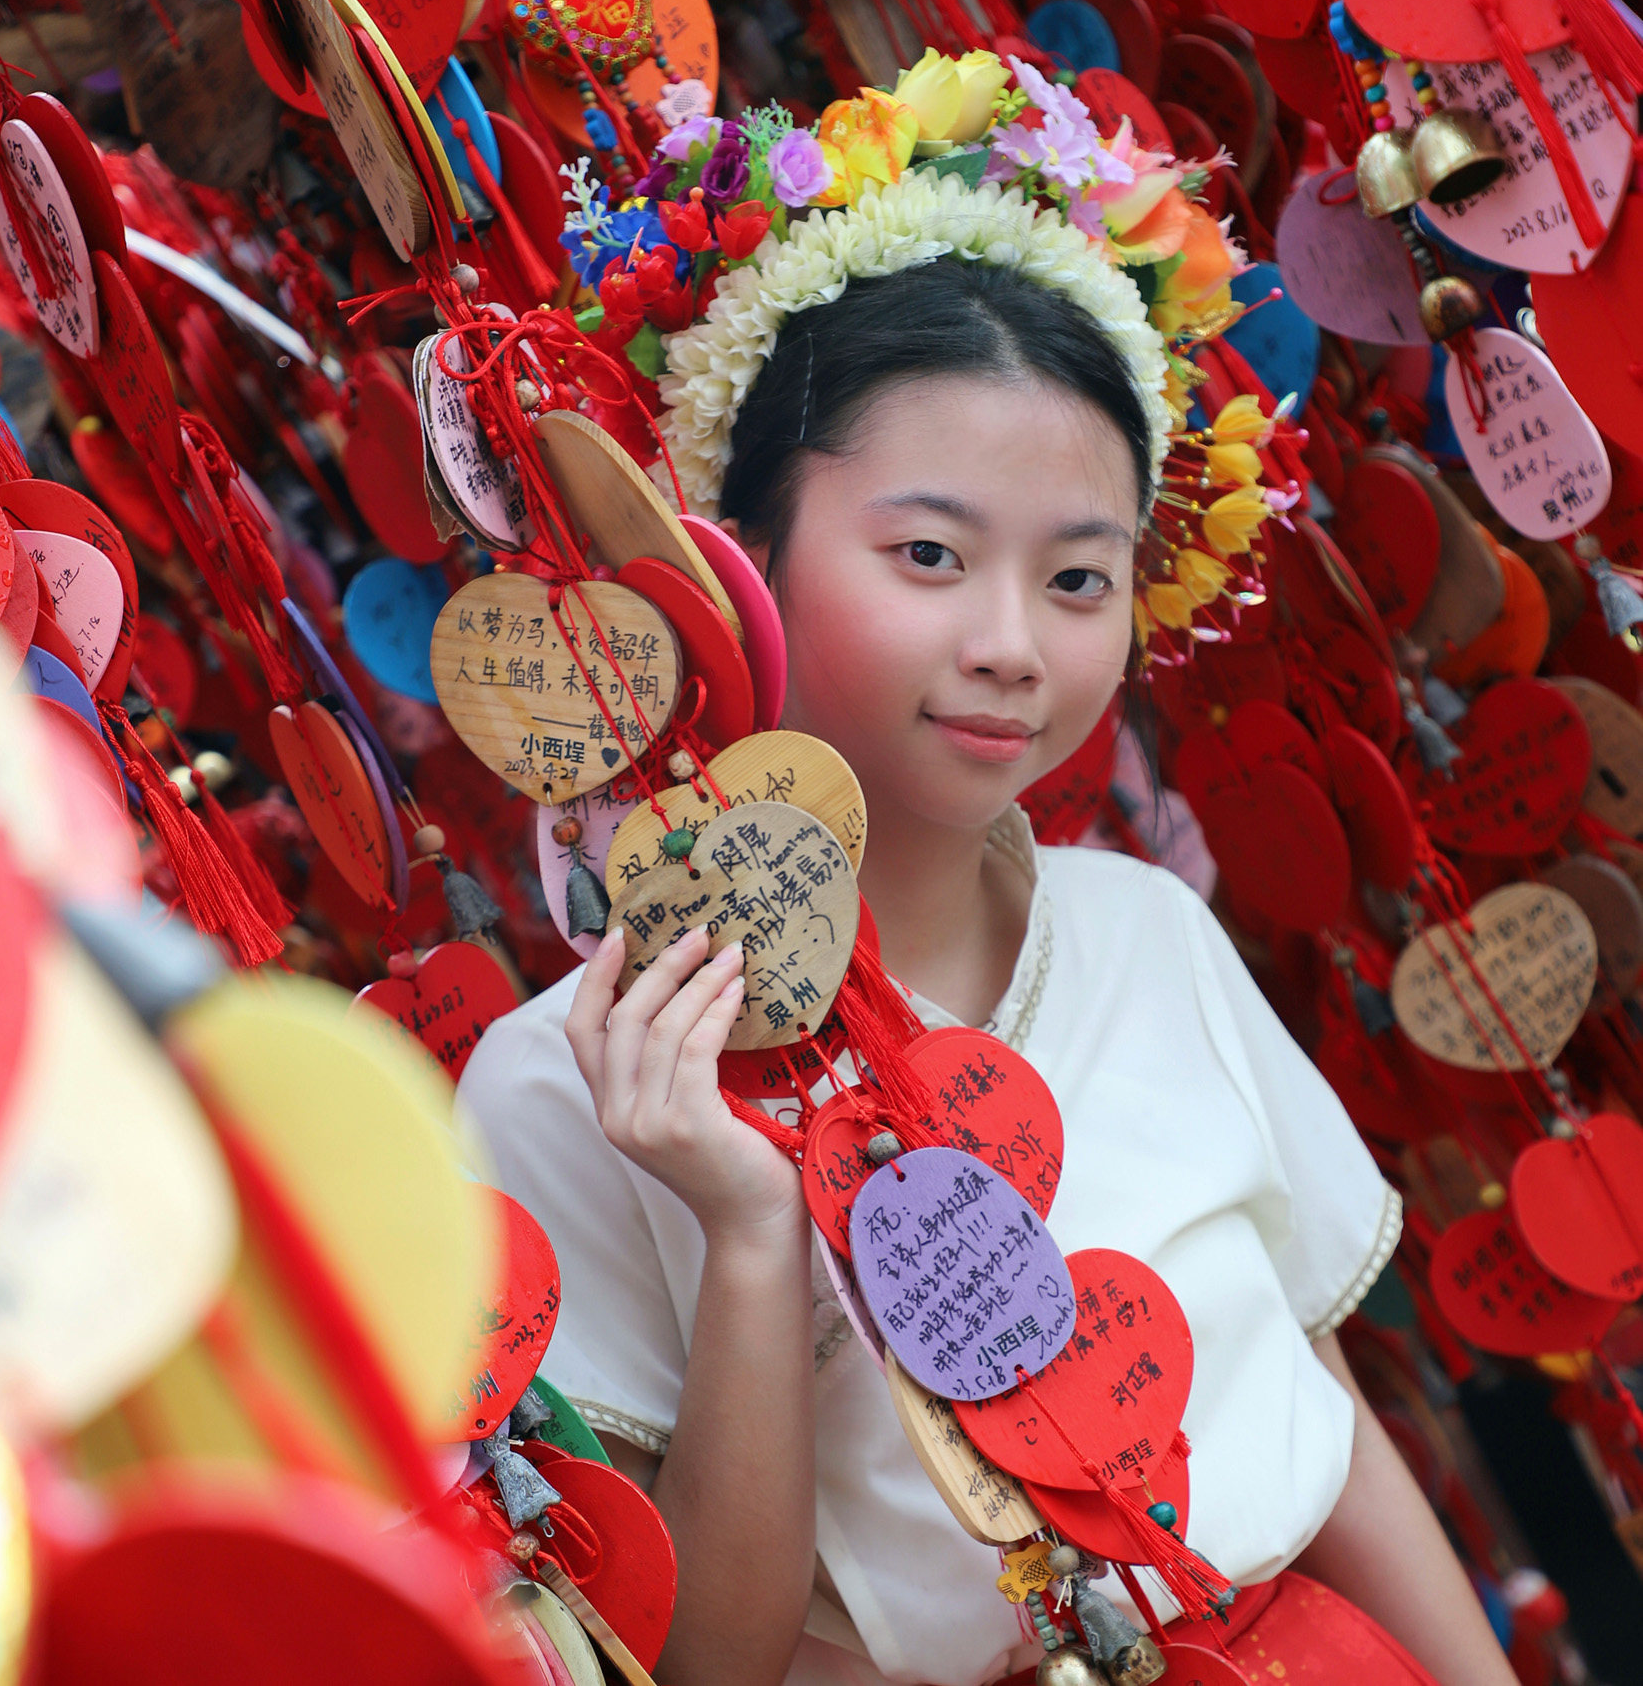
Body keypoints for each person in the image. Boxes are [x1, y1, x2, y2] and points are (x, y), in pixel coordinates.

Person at [460, 115, 1520, 1686]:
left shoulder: (1140, 925)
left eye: (1077, 576)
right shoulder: (578, 1077)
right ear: (737, 558)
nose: (1014, 643)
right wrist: (749, 1235)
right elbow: (704, 1664)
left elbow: (1319, 1414)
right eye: (932, 554)